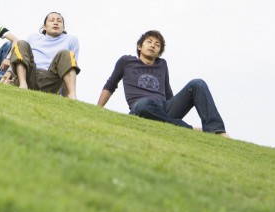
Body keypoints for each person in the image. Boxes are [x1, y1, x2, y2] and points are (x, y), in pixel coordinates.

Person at [97, 30, 228, 136]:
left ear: (159, 52)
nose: (153, 45)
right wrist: (98, 109)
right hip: (142, 109)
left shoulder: (162, 64)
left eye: (157, 45)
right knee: (144, 104)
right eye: (149, 42)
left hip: (164, 108)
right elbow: (110, 85)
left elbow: (168, 93)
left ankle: (217, 130)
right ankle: (189, 128)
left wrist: (176, 105)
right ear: (139, 46)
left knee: (198, 83)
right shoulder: (126, 61)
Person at [6, 12, 80, 99]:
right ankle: (23, 85)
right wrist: (9, 72)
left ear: (63, 27)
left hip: (51, 78)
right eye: (52, 20)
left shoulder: (71, 40)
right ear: (44, 26)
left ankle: (72, 96)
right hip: (30, 74)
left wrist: (66, 95)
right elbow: (20, 54)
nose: (56, 23)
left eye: (59, 21)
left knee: (66, 54)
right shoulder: (34, 37)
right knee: (21, 43)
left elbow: (70, 66)